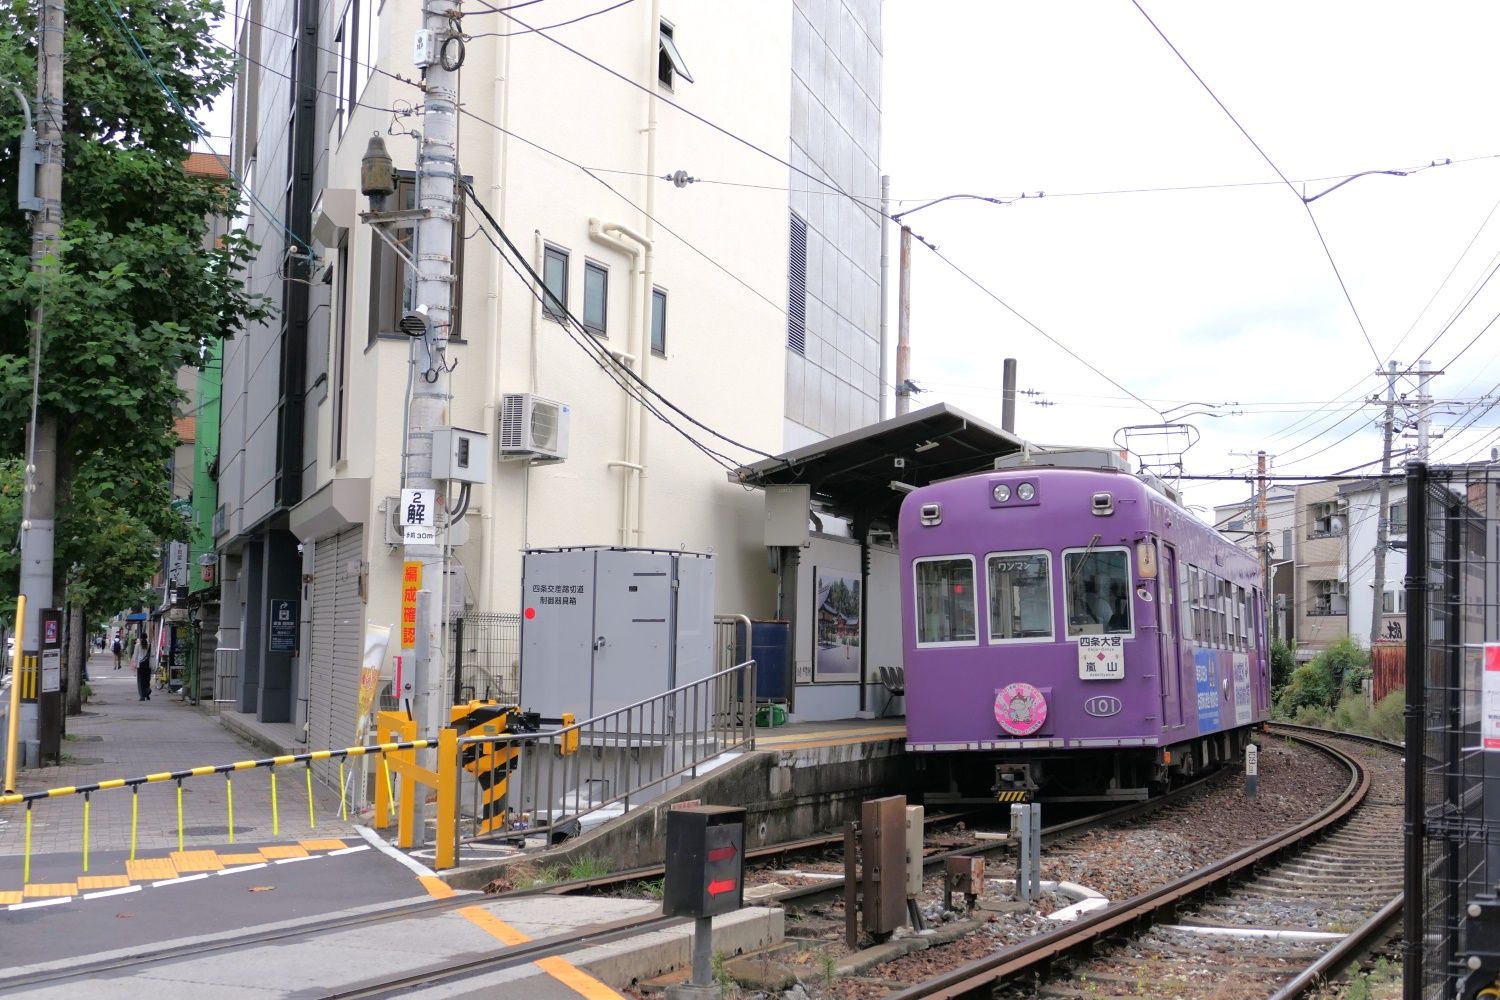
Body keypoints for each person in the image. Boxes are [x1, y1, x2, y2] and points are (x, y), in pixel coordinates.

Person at [135, 628, 151, 701]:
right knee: (147, 680)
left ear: (140, 638)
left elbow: (135, 656)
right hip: (148, 665)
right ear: (146, 637)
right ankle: (147, 692)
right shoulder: (149, 645)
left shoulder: (138, 645)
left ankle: (142, 696)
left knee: (141, 681)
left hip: (140, 665)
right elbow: (152, 655)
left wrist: (135, 664)